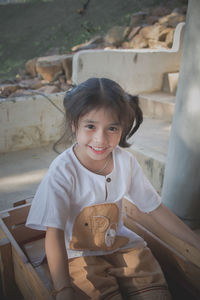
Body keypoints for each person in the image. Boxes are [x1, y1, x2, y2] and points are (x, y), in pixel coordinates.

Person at [26, 77, 200, 300]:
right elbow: (54, 233)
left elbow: (155, 208)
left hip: (121, 246)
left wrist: (195, 243)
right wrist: (63, 289)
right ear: (73, 125)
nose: (100, 139)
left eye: (112, 128)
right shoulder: (62, 171)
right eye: (90, 126)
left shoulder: (125, 162)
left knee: (156, 293)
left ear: (123, 128)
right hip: (77, 255)